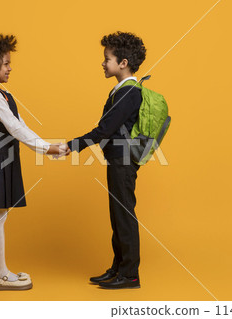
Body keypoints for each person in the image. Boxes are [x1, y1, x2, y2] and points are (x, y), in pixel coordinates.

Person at [0, 33, 70, 291]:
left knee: (1, 214)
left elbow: (21, 125)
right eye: (6, 63)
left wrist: (47, 146)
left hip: (4, 158)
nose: (10, 67)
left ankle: (1, 271)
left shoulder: (1, 93)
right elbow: (14, 129)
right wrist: (46, 148)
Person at [67, 31, 146, 289]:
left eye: (107, 58)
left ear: (123, 63)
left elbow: (104, 130)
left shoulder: (129, 92)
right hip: (117, 160)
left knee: (124, 216)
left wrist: (70, 146)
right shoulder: (121, 91)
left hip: (123, 162)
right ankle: (118, 268)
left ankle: (130, 275)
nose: (103, 63)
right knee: (118, 216)